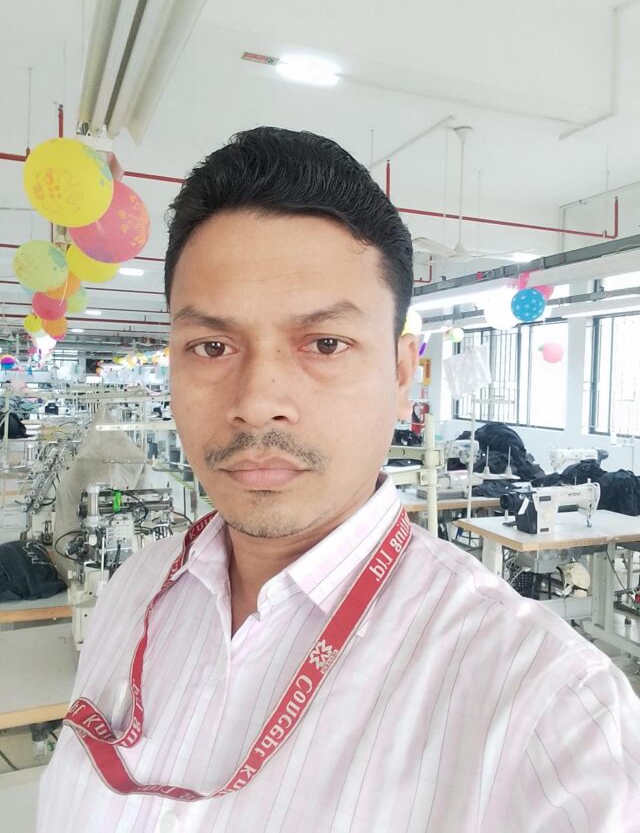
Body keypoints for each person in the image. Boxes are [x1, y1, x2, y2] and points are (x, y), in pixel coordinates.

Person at [39, 128, 640, 832]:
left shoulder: (550, 715)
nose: (257, 400)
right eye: (211, 345)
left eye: (325, 343)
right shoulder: (133, 592)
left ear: (401, 373)